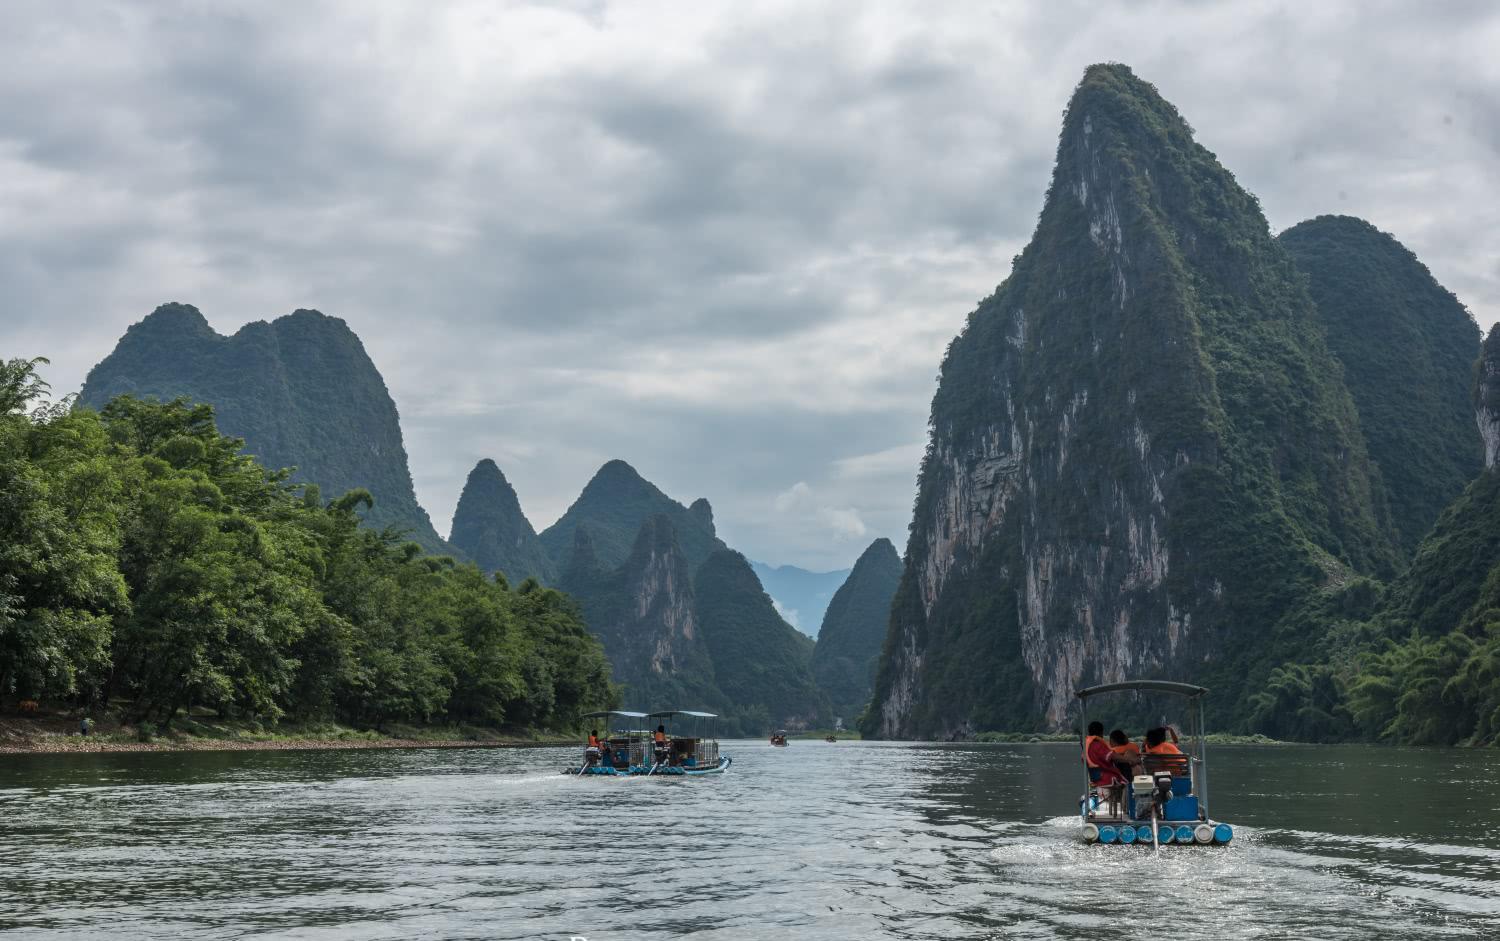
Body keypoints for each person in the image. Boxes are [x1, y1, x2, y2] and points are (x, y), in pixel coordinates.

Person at [1083, 721, 1128, 787]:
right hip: (1106, 779)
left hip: (1095, 778)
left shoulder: (1087, 746)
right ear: (1101, 732)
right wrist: (1128, 759)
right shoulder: (1098, 745)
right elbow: (1112, 756)